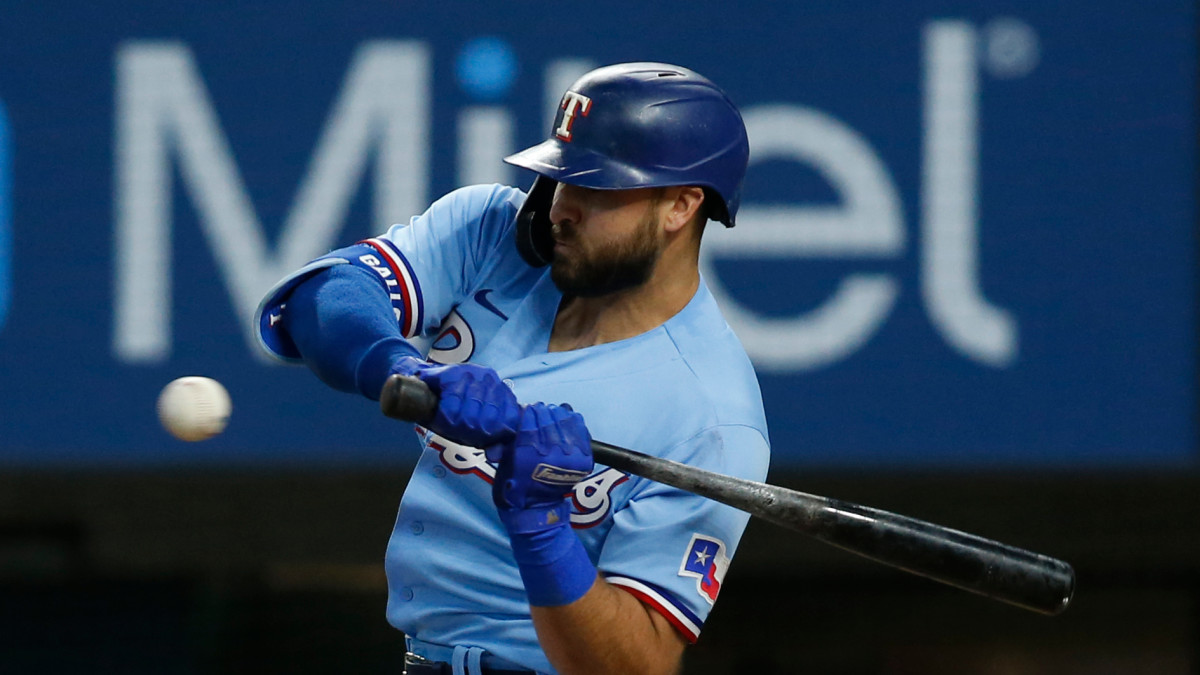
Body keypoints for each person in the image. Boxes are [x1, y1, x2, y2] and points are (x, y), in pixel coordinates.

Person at [255, 62, 770, 675]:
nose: (560, 208)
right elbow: (324, 297)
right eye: (560, 178)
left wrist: (544, 527)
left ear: (681, 207)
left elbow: (640, 664)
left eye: (595, 190)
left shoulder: (713, 418)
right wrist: (404, 369)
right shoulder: (495, 235)